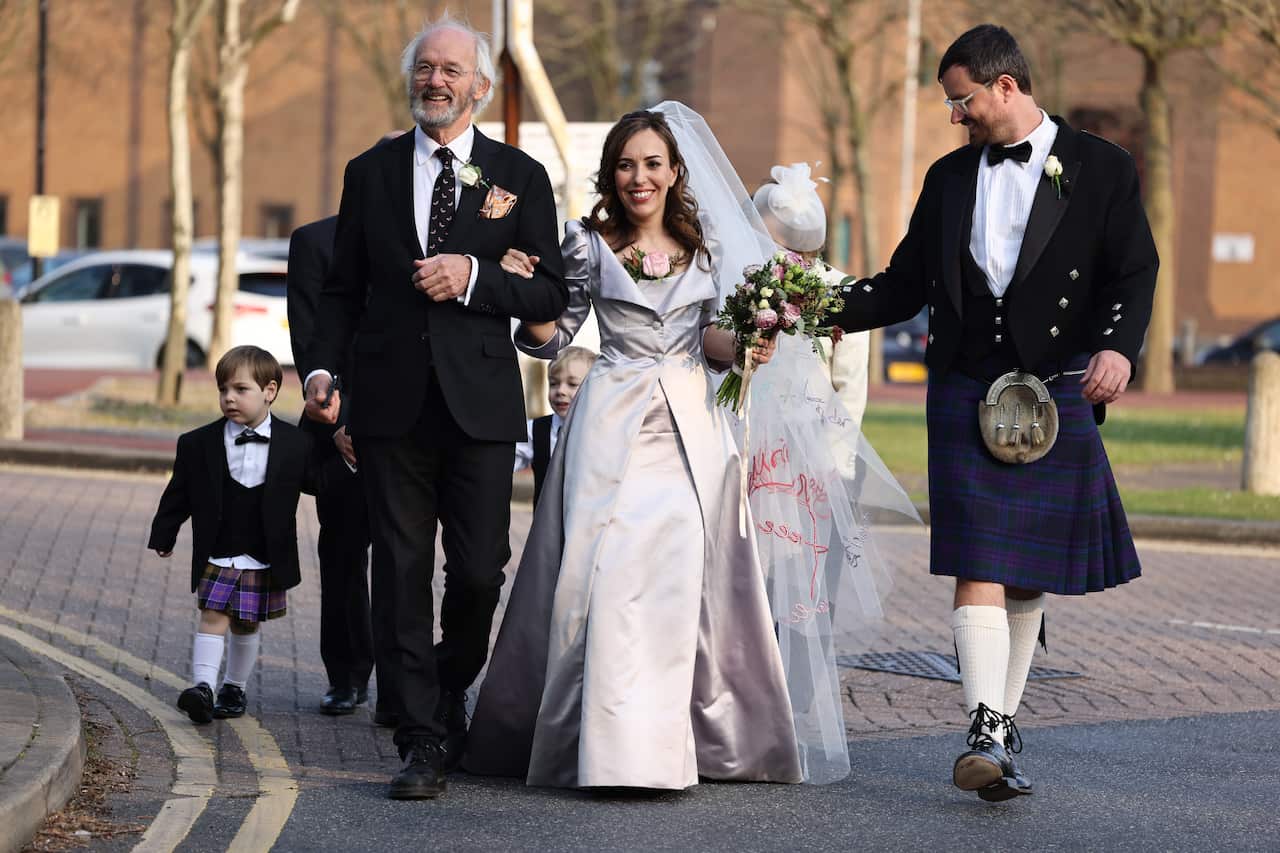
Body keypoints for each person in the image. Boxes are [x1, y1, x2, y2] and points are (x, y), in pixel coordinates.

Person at [830, 24, 1158, 801]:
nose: (955, 115)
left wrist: (1119, 348)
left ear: (1005, 87)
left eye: (962, 99)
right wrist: (819, 308)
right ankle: (983, 723)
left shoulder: (1101, 167)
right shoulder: (948, 179)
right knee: (979, 557)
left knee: (1026, 574)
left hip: (1052, 384)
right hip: (968, 382)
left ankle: (1001, 729)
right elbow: (906, 281)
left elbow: (1134, 270)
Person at [464, 106, 803, 791]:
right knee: (605, 576)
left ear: (675, 171)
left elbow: (710, 340)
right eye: (625, 164)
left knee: (678, 576)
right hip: (610, 420)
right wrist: (521, 294)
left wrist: (749, 347)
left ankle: (666, 746)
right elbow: (555, 335)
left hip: (690, 430)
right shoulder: (586, 242)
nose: (638, 176)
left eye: (651, 163)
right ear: (610, 174)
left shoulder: (704, 242)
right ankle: (605, 748)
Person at [302, 14, 568, 801]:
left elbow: (550, 291)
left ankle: (452, 685)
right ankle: (420, 738)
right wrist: (321, 369)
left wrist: (476, 276)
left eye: (452, 69)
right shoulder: (370, 172)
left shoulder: (519, 175)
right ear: (412, 79)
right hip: (389, 407)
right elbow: (343, 290)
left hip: (482, 407)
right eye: (426, 68)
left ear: (480, 87)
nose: (436, 80)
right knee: (401, 574)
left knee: (481, 571)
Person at [149, 346, 316, 725]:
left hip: (264, 551)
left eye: (240, 389)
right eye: (223, 389)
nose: (229, 398)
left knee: (246, 622)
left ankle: (233, 687)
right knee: (213, 615)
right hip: (218, 549)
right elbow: (179, 494)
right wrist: (165, 533)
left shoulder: (295, 444)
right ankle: (203, 687)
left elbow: (318, 483)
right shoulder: (197, 443)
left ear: (270, 390)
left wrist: (346, 457)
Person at [287, 213, 392, 720]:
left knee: (405, 563)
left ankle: (400, 683)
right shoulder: (314, 241)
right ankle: (346, 676)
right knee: (344, 557)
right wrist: (342, 420)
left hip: (410, 430)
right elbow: (311, 338)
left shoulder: (435, 237)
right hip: (338, 431)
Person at [752, 162, 871, 432]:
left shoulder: (838, 289)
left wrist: (837, 465)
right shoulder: (749, 286)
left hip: (816, 441)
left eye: (777, 238)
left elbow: (850, 391)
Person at [513, 345, 597, 506]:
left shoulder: (603, 429)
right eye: (553, 383)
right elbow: (506, 461)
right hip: (547, 523)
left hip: (591, 523)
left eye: (572, 384)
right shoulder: (536, 430)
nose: (560, 391)